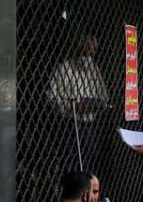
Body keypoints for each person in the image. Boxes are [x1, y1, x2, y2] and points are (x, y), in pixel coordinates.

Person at [47, 35, 110, 170]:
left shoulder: (95, 70)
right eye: (84, 48)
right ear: (77, 48)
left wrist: (95, 105)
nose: (88, 52)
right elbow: (51, 97)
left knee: (86, 158)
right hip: (68, 123)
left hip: (88, 124)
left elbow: (103, 97)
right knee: (68, 160)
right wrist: (72, 106)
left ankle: (83, 188)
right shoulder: (64, 68)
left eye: (91, 50)